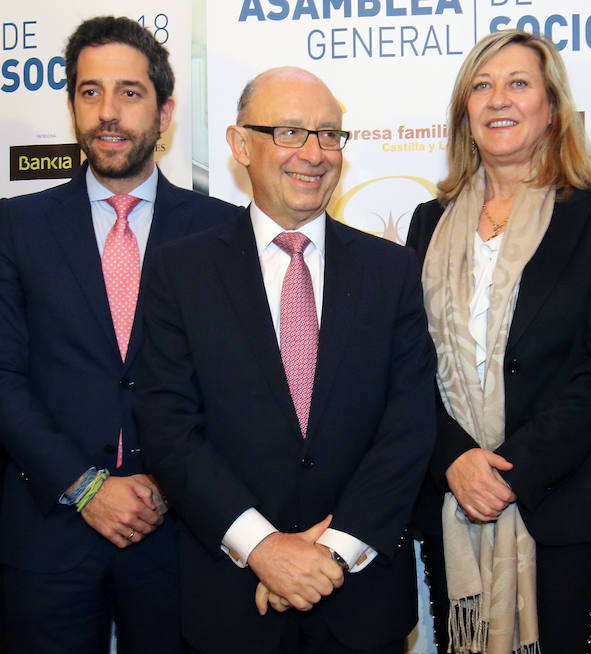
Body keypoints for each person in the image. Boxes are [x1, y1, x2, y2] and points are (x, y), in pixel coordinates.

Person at [132, 66, 436, 654]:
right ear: (240, 144)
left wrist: (329, 555)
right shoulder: (180, 271)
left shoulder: (391, 270)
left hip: (360, 596)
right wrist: (264, 549)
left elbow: (408, 427)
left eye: (328, 134)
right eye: (290, 132)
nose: (314, 153)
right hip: (231, 597)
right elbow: (169, 426)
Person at [0, 16, 238, 654]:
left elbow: (239, 387)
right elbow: (4, 380)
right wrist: (86, 488)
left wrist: (167, 485)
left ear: (164, 113)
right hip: (49, 533)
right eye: (89, 91)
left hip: (183, 535)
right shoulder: (16, 228)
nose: (108, 112)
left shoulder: (223, 234)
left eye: (130, 93)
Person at [407, 30, 591, 654]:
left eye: (518, 84)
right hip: (449, 499)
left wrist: (513, 471)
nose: (497, 99)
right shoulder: (429, 222)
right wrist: (455, 459)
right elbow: (406, 364)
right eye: (481, 87)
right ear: (465, 112)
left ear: (552, 106)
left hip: (563, 503)